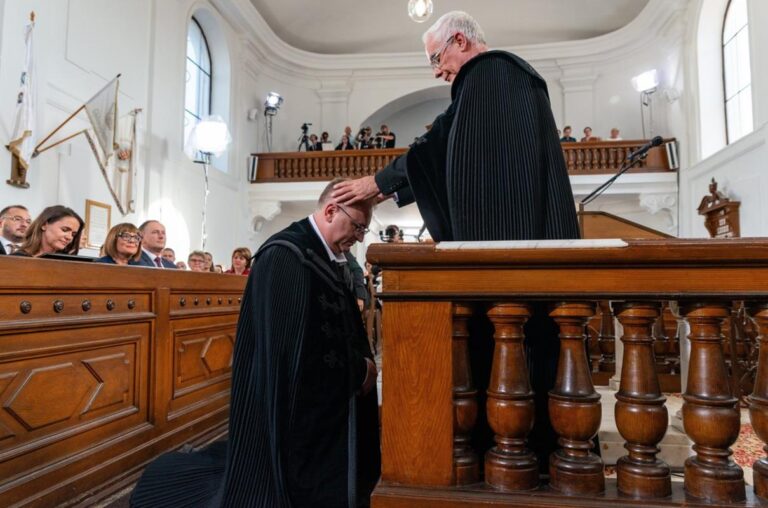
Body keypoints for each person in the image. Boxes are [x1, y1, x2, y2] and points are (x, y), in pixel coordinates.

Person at [331, 11, 580, 473]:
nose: (436, 71)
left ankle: (514, 456)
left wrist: (376, 183)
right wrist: (386, 184)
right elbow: (442, 148)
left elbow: (437, 146)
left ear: (460, 41)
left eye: (435, 58)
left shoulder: (490, 73)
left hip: (510, 258)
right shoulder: (498, 82)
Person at [130, 178, 380, 507]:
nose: (359, 237)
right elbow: (293, 347)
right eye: (358, 227)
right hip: (292, 411)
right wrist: (355, 371)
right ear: (332, 211)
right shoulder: (286, 255)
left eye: (363, 230)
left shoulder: (323, 254)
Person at [13, 205, 84, 257]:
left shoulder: (69, 263)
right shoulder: (16, 259)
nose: (69, 237)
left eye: (73, 234)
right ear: (44, 225)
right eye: (64, 230)